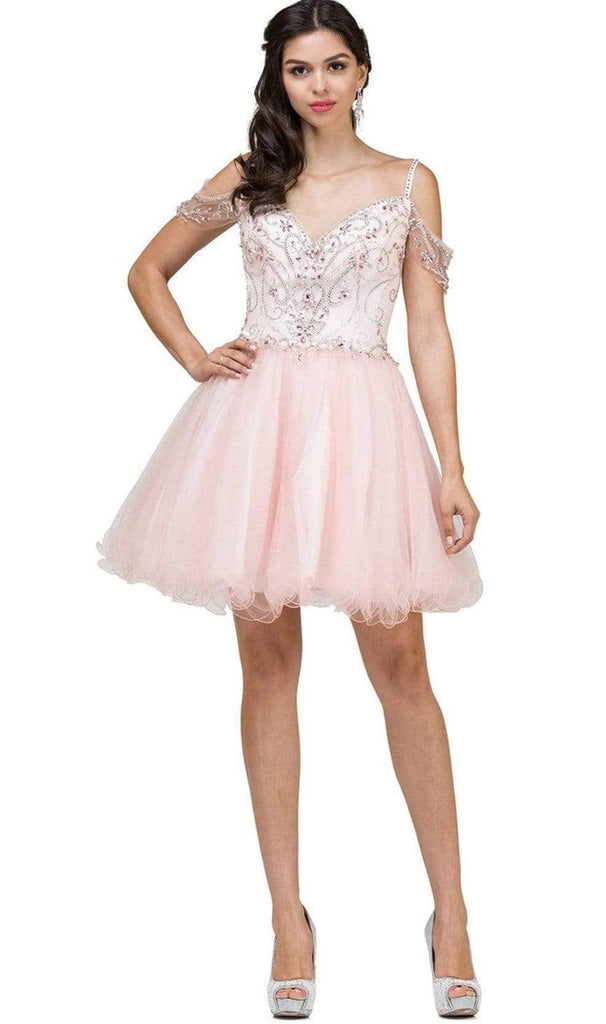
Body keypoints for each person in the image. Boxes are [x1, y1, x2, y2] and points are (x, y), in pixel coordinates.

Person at [96, 0, 484, 1017]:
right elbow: (146, 270)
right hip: (254, 435)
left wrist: (451, 466)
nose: (318, 85)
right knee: (267, 668)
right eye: (300, 68)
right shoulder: (249, 175)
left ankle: (451, 914)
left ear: (363, 73)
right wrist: (194, 355)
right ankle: (286, 919)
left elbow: (429, 330)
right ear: (278, 77)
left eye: (335, 65)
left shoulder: (409, 181)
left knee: (402, 670)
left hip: (365, 433)